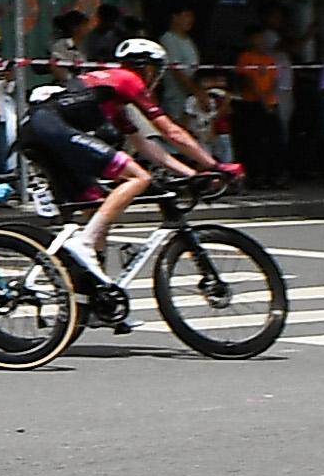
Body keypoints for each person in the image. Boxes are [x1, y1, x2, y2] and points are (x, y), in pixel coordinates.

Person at [16, 39, 223, 292]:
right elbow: (171, 132)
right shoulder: (127, 79)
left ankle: (94, 295)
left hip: (37, 131)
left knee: (97, 211)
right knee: (139, 178)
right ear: (147, 68)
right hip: (49, 127)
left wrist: (193, 174)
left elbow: (149, 147)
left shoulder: (112, 97)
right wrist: (215, 166)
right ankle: (84, 243)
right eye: (157, 71)